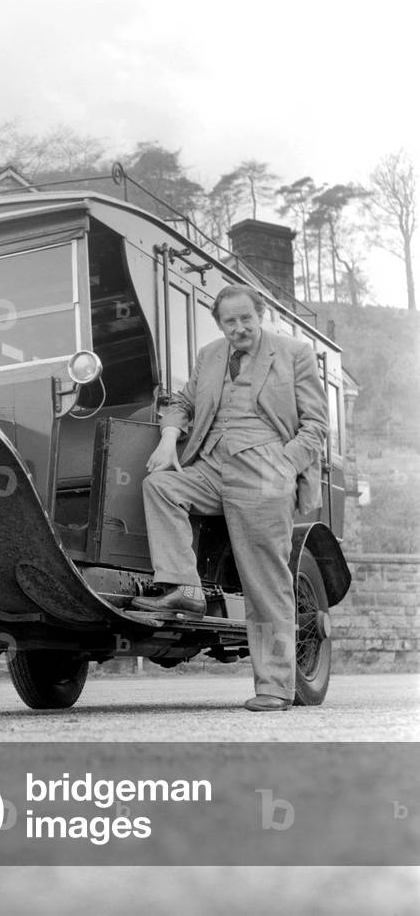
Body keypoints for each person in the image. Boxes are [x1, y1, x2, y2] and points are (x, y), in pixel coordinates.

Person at [136, 285, 328, 712]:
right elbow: (182, 403)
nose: (238, 328)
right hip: (210, 466)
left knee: (265, 581)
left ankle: (276, 687)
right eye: (229, 321)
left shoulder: (295, 354)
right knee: (161, 486)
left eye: (246, 319)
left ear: (260, 315)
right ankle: (185, 586)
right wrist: (169, 438)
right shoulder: (210, 355)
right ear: (219, 323)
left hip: (264, 471)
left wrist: (284, 464)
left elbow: (316, 426)